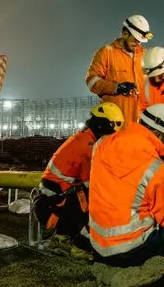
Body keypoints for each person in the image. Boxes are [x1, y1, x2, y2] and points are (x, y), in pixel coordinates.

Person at [88, 103, 164, 287]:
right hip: (132, 245)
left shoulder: (101, 145)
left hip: (98, 244)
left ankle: (111, 269)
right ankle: (142, 280)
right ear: (158, 134)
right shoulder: (157, 170)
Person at [33, 102, 124, 257]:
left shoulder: (84, 138)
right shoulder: (87, 146)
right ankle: (78, 243)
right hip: (54, 204)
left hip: (53, 198)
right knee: (101, 200)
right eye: (112, 127)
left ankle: (65, 237)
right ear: (103, 125)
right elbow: (93, 183)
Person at [85, 15, 152, 125]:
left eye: (140, 41)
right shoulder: (106, 53)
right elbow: (91, 81)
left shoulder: (144, 55)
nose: (137, 44)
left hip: (140, 124)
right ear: (124, 33)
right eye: (135, 40)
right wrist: (116, 87)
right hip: (115, 123)